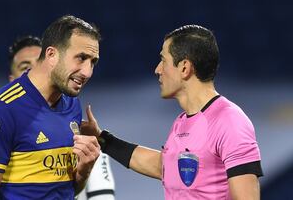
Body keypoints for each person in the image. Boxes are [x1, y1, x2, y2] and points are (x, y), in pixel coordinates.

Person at [81, 25, 263, 199]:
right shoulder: (182, 121)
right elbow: (163, 166)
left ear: (184, 68)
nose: (157, 70)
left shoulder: (230, 121)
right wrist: (102, 139)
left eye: (163, 60)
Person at [0, 15, 103, 200]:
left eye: (93, 62)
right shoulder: (1, 110)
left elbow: (65, 191)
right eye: (81, 58)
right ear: (51, 55)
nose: (87, 72)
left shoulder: (72, 105)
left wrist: (84, 170)